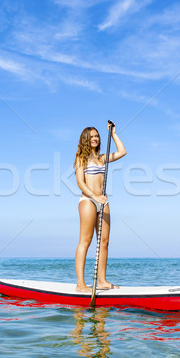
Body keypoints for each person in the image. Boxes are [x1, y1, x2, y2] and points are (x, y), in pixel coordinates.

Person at [73, 122, 126, 292]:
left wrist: (114, 135)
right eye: (91, 137)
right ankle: (80, 284)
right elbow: (80, 183)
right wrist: (95, 196)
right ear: (85, 140)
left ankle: (102, 280)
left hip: (103, 201)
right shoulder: (81, 158)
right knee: (86, 240)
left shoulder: (102, 159)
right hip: (88, 200)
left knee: (104, 241)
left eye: (97, 136)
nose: (95, 139)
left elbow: (122, 152)